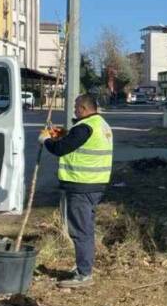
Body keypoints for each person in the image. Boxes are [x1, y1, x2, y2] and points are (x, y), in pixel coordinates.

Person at [39, 94, 113, 289]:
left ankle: (84, 273)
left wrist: (46, 140)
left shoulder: (84, 127)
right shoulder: (100, 124)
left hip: (82, 186)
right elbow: (75, 141)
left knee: (80, 231)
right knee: (85, 229)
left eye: (75, 107)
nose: (74, 111)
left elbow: (61, 149)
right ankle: (84, 268)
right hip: (94, 185)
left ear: (83, 108)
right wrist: (64, 134)